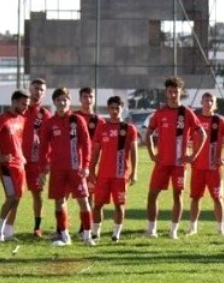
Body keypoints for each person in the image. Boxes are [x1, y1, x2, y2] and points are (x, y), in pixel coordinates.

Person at [145, 76, 205, 239]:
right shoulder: (160, 112)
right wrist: (152, 154)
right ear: (166, 93)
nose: (173, 95)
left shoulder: (186, 113)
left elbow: (202, 133)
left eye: (176, 91)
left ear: (181, 93)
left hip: (179, 164)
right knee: (152, 195)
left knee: (177, 196)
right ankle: (151, 230)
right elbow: (148, 133)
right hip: (162, 163)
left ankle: (173, 231)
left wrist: (193, 155)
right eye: (170, 91)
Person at [40, 87, 92, 247]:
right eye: (59, 100)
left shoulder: (77, 120)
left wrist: (86, 165)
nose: (62, 103)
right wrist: (44, 167)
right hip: (57, 169)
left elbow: (86, 143)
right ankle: (64, 236)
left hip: (76, 169)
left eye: (65, 100)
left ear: (69, 102)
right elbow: (43, 147)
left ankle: (88, 236)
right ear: (54, 102)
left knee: (83, 200)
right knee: (59, 201)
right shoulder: (49, 123)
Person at [91, 96, 139, 243]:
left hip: (120, 174)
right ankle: (95, 233)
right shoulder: (102, 127)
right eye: (111, 108)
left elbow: (134, 151)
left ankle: (115, 234)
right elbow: (96, 151)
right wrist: (92, 170)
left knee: (119, 204)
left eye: (117, 108)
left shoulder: (129, 129)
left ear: (122, 109)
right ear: (108, 109)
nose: (114, 111)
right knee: (98, 204)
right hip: (103, 174)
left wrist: (134, 172)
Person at [188, 92, 224, 236]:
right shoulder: (195, 120)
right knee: (195, 198)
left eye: (211, 101)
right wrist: (189, 155)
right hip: (197, 168)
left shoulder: (220, 121)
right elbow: (185, 138)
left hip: (214, 169)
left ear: (215, 104)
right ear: (201, 102)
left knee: (217, 198)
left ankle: (221, 229)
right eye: (206, 100)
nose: (208, 103)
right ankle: (192, 228)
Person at [0, 90, 29, 241]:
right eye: (23, 104)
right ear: (14, 102)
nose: (26, 107)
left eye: (27, 104)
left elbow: (18, 141)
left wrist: (22, 156)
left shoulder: (22, 119)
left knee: (18, 197)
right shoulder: (2, 119)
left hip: (19, 164)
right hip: (6, 166)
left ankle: (9, 231)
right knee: (11, 197)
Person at [22, 78, 53, 238]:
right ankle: (7, 229)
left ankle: (37, 227)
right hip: (19, 160)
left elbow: (49, 140)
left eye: (41, 89)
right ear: (29, 89)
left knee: (37, 194)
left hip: (35, 162)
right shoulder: (22, 109)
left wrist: (46, 163)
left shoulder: (43, 115)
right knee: (14, 196)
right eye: (35, 88)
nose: (38, 92)